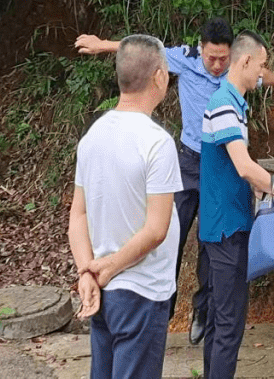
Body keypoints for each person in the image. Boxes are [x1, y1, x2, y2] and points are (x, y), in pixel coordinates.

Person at [75, 18, 274, 344]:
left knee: (211, 242)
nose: (218, 64)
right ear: (201, 49)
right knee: (168, 236)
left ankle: (202, 311)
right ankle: (162, 311)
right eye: (212, 58)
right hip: (186, 162)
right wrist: (101, 45)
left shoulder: (238, 68)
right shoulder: (185, 57)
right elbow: (144, 51)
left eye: (224, 58)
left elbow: (262, 74)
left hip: (218, 167)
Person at [198, 30, 274, 379]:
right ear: (245, 61)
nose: (263, 73)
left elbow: (236, 171)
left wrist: (263, 192)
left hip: (227, 225)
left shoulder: (233, 103)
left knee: (222, 321)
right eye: (262, 65)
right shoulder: (223, 105)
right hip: (225, 229)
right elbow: (244, 166)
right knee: (229, 325)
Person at [67, 34, 183, 379]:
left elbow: (78, 214)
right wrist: (111, 266)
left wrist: (87, 270)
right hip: (140, 292)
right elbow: (156, 229)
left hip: (102, 291)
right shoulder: (157, 143)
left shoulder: (93, 135)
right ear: (159, 77)